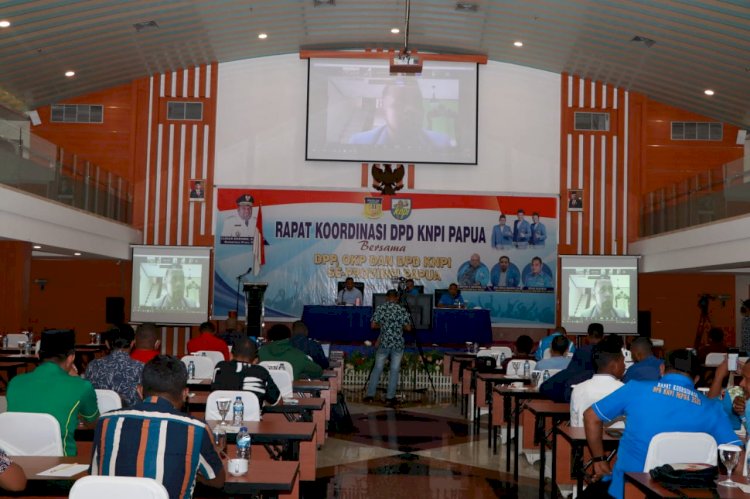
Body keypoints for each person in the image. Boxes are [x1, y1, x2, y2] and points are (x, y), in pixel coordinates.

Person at [583, 349, 740, 499]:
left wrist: (599, 460)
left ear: (662, 369)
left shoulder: (635, 389)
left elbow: (591, 416)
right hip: (690, 493)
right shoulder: (713, 408)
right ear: (696, 379)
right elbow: (736, 452)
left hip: (630, 490)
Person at [90, 355, 225, 498]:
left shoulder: (105, 421)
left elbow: (94, 474)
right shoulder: (196, 429)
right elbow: (218, 481)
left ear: (140, 390)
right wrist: (192, 471)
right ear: (185, 394)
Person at [7, 329, 99, 456]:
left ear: (38, 355)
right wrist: (76, 378)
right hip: (61, 465)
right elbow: (94, 423)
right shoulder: (81, 386)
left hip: (20, 462)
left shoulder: (15, 382)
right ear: (71, 358)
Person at [348, 82, 452, 148]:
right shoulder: (358, 143)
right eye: (399, 103)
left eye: (417, 102)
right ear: (384, 111)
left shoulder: (442, 143)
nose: (411, 109)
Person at [363, 289, 412, 407]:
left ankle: (370, 395)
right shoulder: (401, 309)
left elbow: (373, 325)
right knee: (394, 370)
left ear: (386, 297)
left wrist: (384, 325)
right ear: (397, 298)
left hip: (384, 343)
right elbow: (409, 328)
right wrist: (398, 326)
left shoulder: (381, 308)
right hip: (397, 344)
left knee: (377, 368)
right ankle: (390, 398)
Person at [539, 324, 606, 403]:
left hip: (580, 396)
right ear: (603, 336)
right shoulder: (610, 353)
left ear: (587, 336)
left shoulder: (582, 352)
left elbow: (570, 373)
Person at [569, 336, 625, 427]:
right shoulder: (624, 389)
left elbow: (574, 426)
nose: (625, 366)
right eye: (623, 362)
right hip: (616, 441)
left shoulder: (578, 389)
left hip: (583, 440)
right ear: (614, 366)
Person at [84, 324, 144, 407]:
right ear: (133, 343)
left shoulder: (93, 366)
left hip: (100, 417)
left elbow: (87, 398)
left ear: (107, 343)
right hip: (130, 418)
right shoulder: (141, 368)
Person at [212, 338, 281, 407]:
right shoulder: (261, 372)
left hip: (221, 416)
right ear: (256, 360)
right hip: (252, 417)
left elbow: (213, 393)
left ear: (230, 355)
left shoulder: (220, 367)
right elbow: (277, 402)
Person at [258, 324, 323, 380]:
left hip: (264, 391)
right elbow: (318, 371)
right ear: (289, 337)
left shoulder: (260, 352)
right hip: (288, 391)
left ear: (270, 337)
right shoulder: (298, 355)